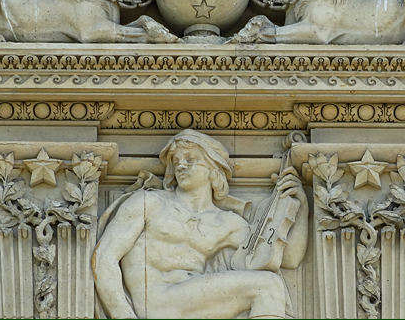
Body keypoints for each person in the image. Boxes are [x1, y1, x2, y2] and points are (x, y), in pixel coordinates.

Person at [92, 129, 308, 319]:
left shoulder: (226, 223)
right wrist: (123, 314)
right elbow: (105, 257)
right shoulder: (149, 203)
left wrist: (303, 206)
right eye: (176, 161)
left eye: (191, 159)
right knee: (267, 286)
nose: (181, 165)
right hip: (157, 302)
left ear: (214, 169)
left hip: (192, 303)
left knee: (270, 283)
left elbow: (287, 259)